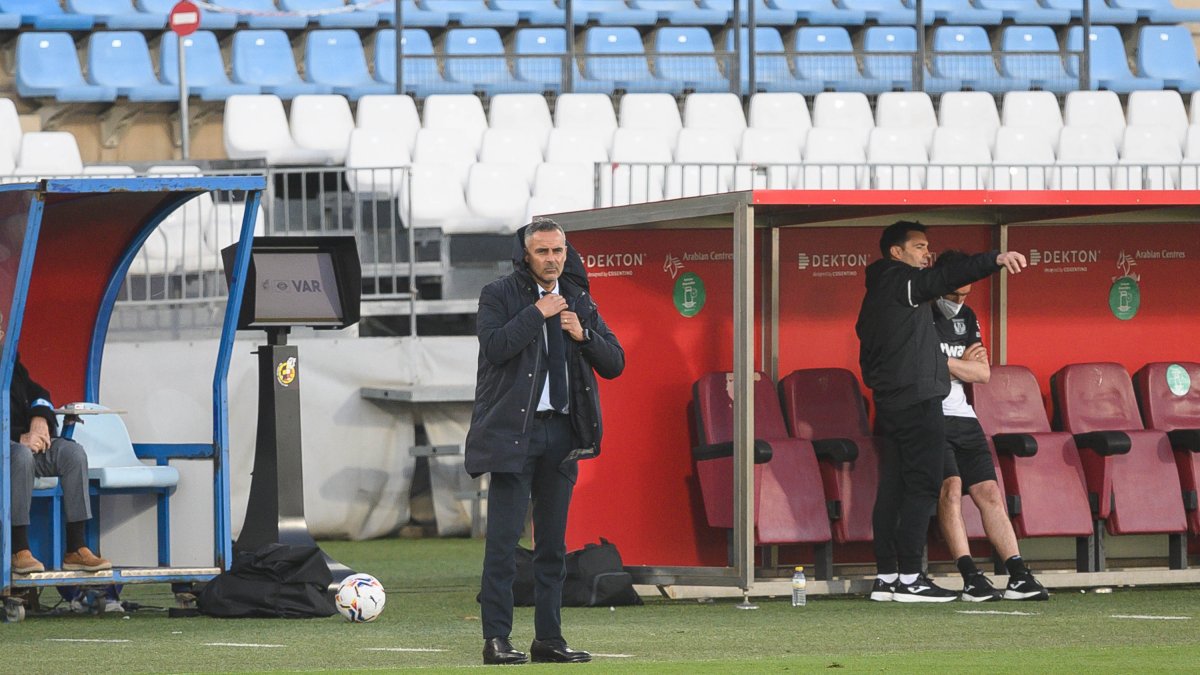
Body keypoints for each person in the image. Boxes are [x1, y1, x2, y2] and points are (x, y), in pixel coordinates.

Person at [465, 218, 625, 665]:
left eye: (558, 251)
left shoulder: (579, 299)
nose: (552, 260)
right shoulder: (498, 295)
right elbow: (495, 347)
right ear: (525, 255)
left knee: (552, 546)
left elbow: (615, 363)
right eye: (542, 252)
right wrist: (538, 313)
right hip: (515, 434)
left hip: (562, 435)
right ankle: (496, 639)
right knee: (502, 543)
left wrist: (582, 334)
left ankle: (549, 639)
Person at [855, 221, 1026, 603]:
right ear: (896, 253)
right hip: (917, 401)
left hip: (892, 401)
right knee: (924, 486)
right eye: (918, 247)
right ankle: (912, 578)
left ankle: (887, 578)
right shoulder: (904, 282)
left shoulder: (877, 291)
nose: (925, 254)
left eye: (927, 247)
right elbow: (946, 275)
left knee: (894, 487)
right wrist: (994, 259)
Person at [931, 250, 1048, 602]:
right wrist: (956, 362)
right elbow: (920, 365)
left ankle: (1017, 574)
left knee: (989, 494)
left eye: (965, 294)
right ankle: (970, 577)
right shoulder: (918, 313)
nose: (959, 301)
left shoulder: (967, 316)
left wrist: (944, 363)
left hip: (965, 417)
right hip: (929, 418)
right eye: (953, 294)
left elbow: (982, 373)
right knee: (950, 489)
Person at [8, 338, 111, 575]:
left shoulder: (11, 364)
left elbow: (40, 394)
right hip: (10, 448)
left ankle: (76, 546)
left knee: (72, 453)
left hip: (25, 445)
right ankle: (18, 549)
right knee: (21, 455)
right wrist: (16, 437)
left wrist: (40, 419)